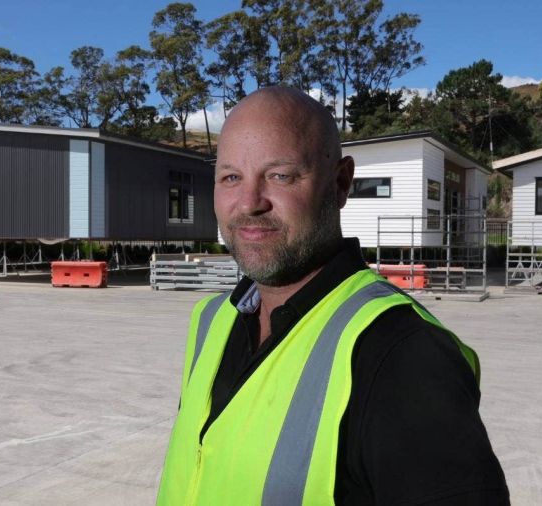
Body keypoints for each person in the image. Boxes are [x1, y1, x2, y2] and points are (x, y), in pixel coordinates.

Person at [157, 87, 509, 505]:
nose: (249, 203)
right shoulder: (211, 319)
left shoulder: (402, 353)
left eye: (280, 175)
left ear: (340, 184)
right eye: (231, 177)